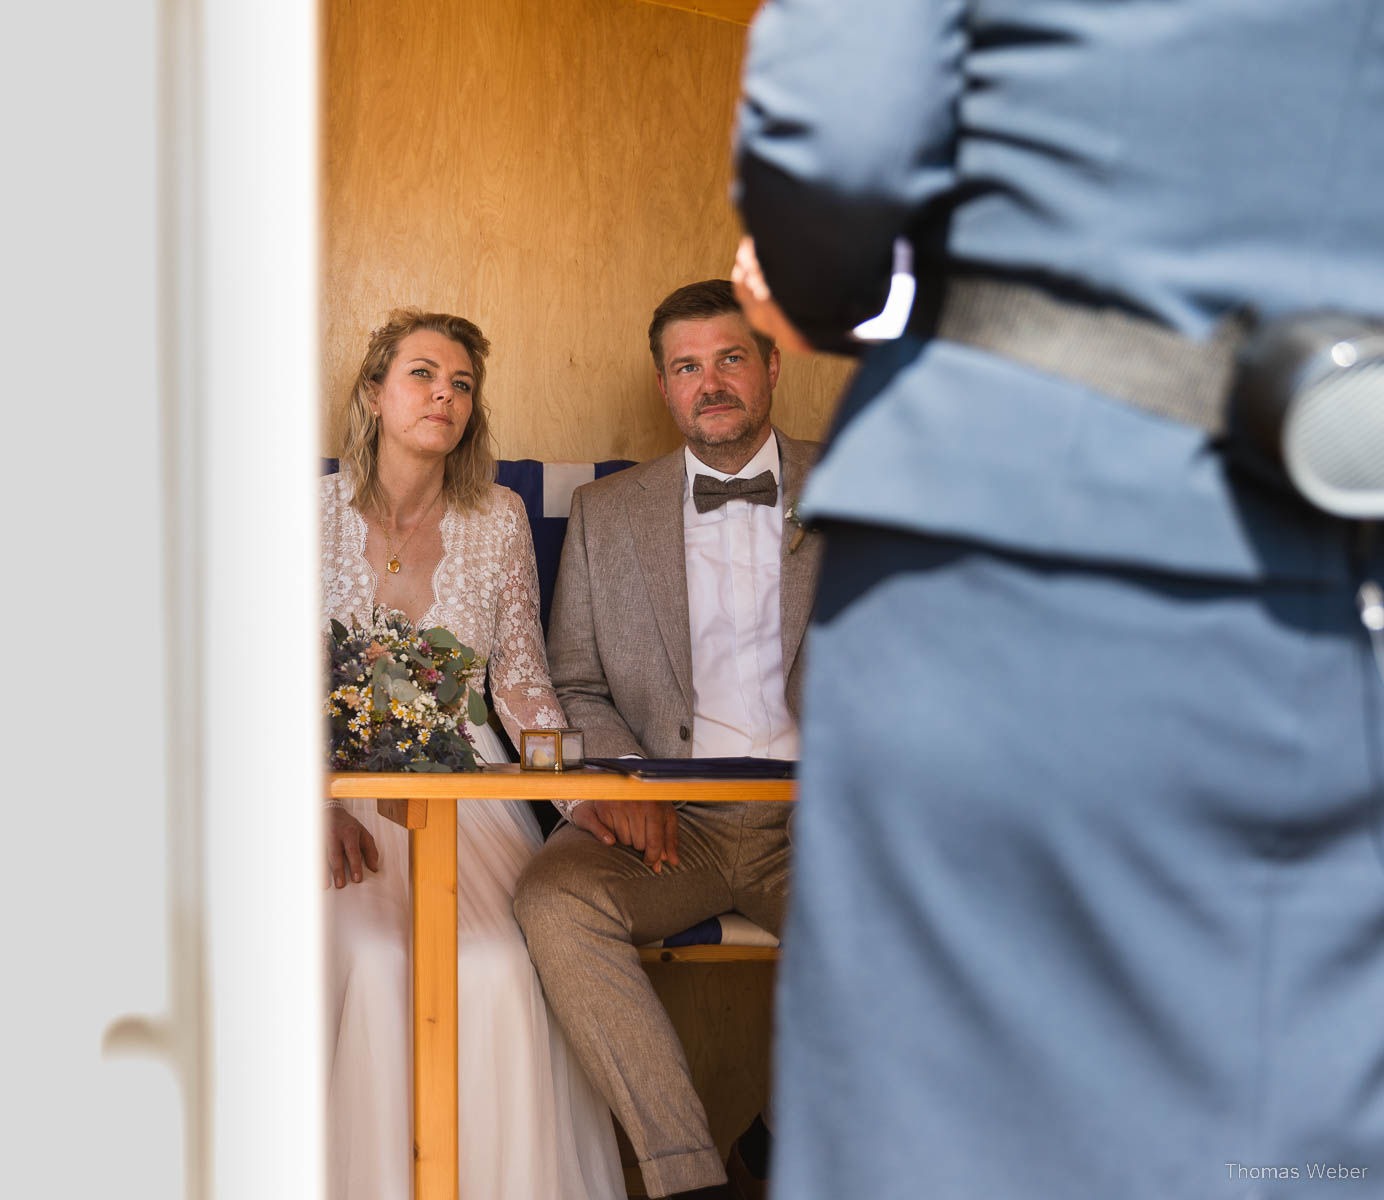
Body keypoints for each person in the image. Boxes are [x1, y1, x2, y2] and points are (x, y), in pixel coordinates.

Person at [732, 2, 1384, 1197]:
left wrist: (826, 296)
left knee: (951, 1136)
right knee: (1305, 1155)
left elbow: (839, 154)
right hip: (1353, 584)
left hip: (1022, 572)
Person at [514, 279, 820, 1200]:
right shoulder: (609, 516)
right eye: (687, 367)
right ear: (664, 388)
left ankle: (772, 1147)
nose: (711, 382)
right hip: (670, 818)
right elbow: (575, 685)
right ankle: (688, 1179)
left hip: (822, 818)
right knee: (553, 901)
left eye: (731, 358)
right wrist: (631, 786)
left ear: (771, 366)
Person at [320, 308, 626, 1200]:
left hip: (474, 788)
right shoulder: (302, 512)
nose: (443, 395)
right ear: (375, 393)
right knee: (376, 962)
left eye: (461, 383)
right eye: (422, 374)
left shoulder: (500, 517)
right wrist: (316, 805)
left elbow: (524, 684)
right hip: (336, 789)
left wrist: (581, 798)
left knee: (494, 964)